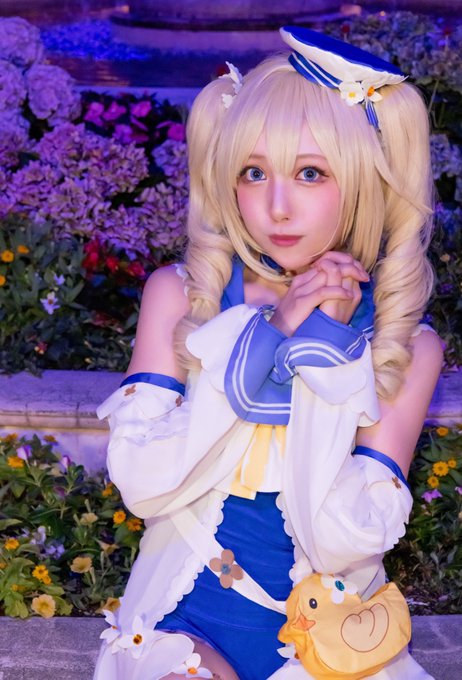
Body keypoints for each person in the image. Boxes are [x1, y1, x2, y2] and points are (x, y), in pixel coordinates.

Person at [94, 26, 442, 680]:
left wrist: (327, 350)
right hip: (185, 623)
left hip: (332, 645)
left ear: (364, 181)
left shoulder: (405, 343)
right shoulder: (182, 295)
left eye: (310, 173)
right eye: (254, 173)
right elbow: (143, 483)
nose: (277, 207)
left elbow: (340, 542)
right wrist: (269, 333)